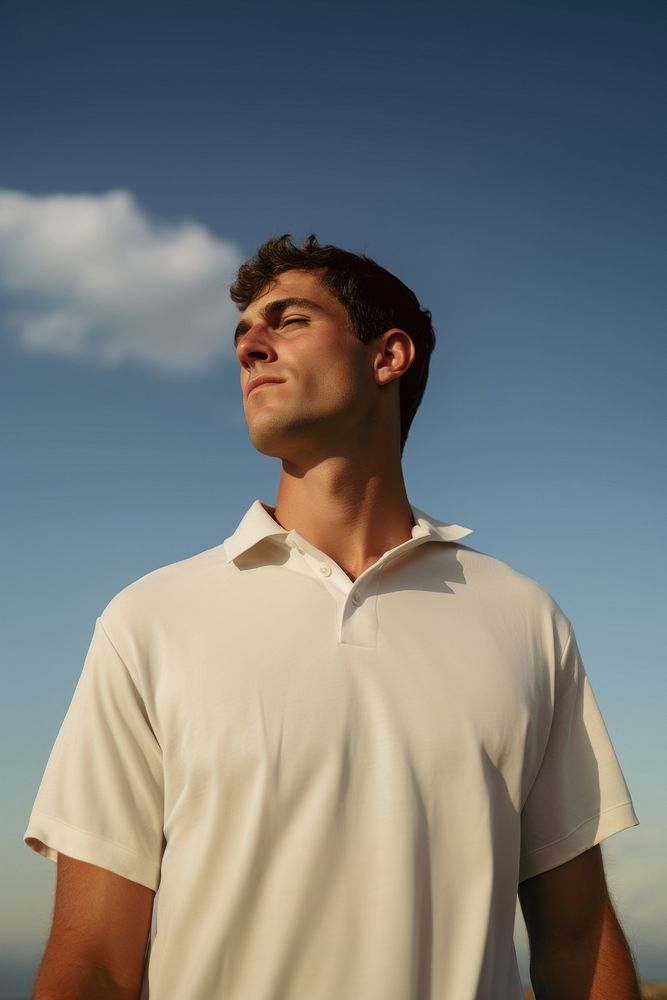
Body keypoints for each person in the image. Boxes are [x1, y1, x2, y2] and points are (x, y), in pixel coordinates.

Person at [25, 235, 641, 1000]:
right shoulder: (150, 620)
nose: (250, 345)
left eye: (286, 321)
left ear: (387, 357)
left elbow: (577, 939)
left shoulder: (522, 617)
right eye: (243, 332)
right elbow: (93, 962)